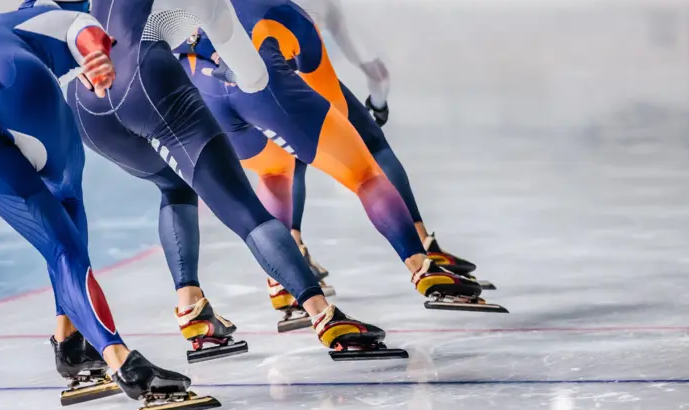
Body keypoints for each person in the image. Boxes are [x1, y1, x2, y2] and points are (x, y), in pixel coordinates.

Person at [0, 0, 225, 410]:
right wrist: (97, 57)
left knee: (54, 241)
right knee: (66, 211)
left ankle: (70, 343)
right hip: (19, 88)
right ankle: (123, 362)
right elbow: (85, 31)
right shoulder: (60, 15)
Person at [65, 0, 403, 358]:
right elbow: (254, 78)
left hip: (82, 97)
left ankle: (193, 310)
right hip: (145, 76)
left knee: (175, 184)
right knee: (248, 212)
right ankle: (324, 316)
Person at [170, 0, 505, 318]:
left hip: (206, 95)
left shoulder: (196, 13)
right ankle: (422, 266)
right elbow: (333, 104)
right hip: (262, 84)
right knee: (363, 171)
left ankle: (283, 283)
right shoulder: (293, 13)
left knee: (273, 173)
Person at [279, 0, 491, 288]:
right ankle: (421, 243)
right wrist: (378, 106)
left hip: (252, 95)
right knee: (375, 146)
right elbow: (377, 73)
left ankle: (289, 260)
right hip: (311, 86)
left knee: (285, 167)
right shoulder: (324, 6)